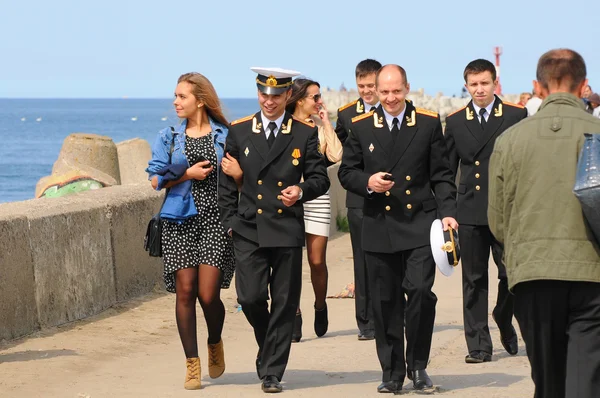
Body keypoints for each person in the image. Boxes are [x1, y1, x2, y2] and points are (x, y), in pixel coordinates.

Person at [338, 64, 457, 393]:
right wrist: (369, 182)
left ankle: (418, 366)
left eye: (396, 91)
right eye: (384, 91)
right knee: (385, 301)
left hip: (420, 222)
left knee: (420, 293)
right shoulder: (361, 126)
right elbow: (346, 173)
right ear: (375, 90)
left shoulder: (429, 124)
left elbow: (442, 175)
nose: (390, 98)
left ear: (407, 89)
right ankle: (392, 372)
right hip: (379, 224)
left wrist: (448, 213)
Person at [489, 48, 600, 398]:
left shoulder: (510, 140)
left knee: (548, 382)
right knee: (587, 379)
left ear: (537, 88)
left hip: (533, 275)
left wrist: (524, 249)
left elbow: (497, 218)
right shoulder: (596, 133)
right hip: (592, 275)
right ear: (584, 87)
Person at [218, 67, 330, 393]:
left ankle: (272, 373)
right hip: (249, 228)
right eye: (264, 95)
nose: (269, 101)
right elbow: (227, 183)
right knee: (249, 297)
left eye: (276, 96)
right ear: (258, 94)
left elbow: (320, 178)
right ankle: (269, 345)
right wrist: (229, 223)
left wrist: (302, 191)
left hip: (285, 226)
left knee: (283, 302)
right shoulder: (239, 131)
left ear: (286, 97)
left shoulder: (304, 133)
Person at [145, 72, 234, 390]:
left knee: (208, 295)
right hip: (178, 222)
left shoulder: (225, 134)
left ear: (200, 100)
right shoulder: (168, 136)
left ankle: (214, 341)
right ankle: (192, 364)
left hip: (215, 221)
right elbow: (155, 179)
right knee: (185, 292)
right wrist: (187, 174)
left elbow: (241, 177)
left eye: (181, 96)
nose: (175, 102)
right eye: (175, 96)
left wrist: (237, 174)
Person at [444, 59, 527, 364]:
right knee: (474, 280)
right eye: (474, 84)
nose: (479, 90)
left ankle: (503, 317)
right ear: (466, 86)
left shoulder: (516, 115)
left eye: (485, 83)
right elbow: (445, 171)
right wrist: (448, 210)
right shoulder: (454, 122)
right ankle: (478, 345)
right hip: (470, 211)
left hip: (507, 211)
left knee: (513, 277)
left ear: (495, 84)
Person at [287, 78, 342, 341]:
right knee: (290, 262)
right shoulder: (285, 126)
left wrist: (326, 121)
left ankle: (320, 305)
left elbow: (336, 155)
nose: (319, 100)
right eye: (315, 97)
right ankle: (294, 314)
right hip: (289, 198)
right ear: (299, 100)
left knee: (317, 260)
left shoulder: (318, 127)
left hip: (317, 196)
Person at [334, 58, 382, 341]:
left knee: (389, 261)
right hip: (358, 199)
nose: (367, 91)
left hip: (391, 198)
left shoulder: (392, 110)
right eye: (362, 86)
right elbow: (337, 150)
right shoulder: (346, 115)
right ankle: (366, 322)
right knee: (363, 263)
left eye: (371, 86)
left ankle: (392, 313)